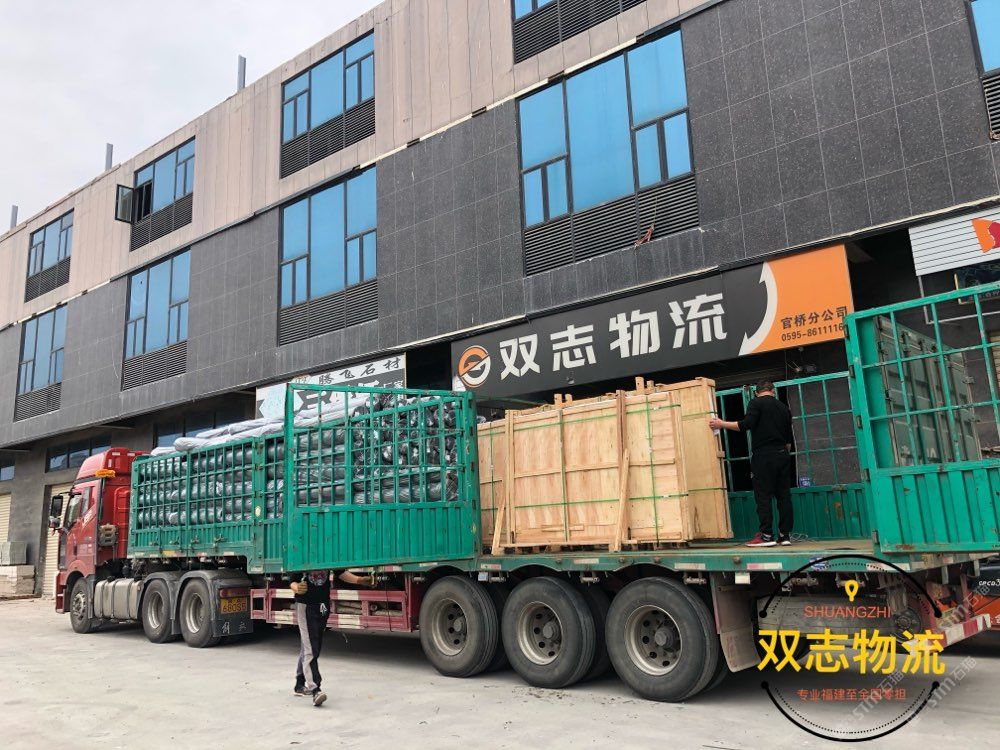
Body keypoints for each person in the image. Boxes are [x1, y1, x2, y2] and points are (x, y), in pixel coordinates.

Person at [709, 380, 794, 547]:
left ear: (756, 392)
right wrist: (783, 454)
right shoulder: (784, 408)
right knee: (784, 496)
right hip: (783, 454)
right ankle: (785, 536)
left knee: (763, 496)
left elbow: (745, 425)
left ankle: (766, 536)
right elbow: (788, 439)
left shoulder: (756, 403)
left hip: (764, 455)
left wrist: (721, 423)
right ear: (773, 391)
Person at [290, 570, 373, 706]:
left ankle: (299, 684)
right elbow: (292, 579)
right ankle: (315, 689)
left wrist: (360, 580)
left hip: (323, 606)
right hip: (306, 606)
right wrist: (297, 587)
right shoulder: (302, 556)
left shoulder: (326, 557)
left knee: (311, 646)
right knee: (311, 649)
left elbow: (341, 573)